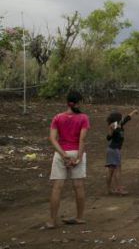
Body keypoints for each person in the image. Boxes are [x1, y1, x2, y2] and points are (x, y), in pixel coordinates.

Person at [46, 91, 90, 228]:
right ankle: (80, 217)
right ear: (78, 103)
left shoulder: (58, 117)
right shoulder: (83, 118)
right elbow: (82, 139)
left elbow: (52, 138)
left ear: (67, 102)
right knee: (78, 186)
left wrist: (63, 154)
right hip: (77, 152)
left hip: (61, 153)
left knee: (57, 187)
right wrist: (78, 157)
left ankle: (52, 221)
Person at [105, 109, 139, 195]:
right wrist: (110, 130)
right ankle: (119, 189)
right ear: (117, 119)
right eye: (121, 117)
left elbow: (127, 118)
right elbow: (108, 137)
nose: (122, 118)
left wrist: (134, 112)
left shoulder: (119, 124)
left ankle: (109, 190)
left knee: (111, 171)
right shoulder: (114, 126)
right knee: (117, 170)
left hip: (112, 149)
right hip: (114, 150)